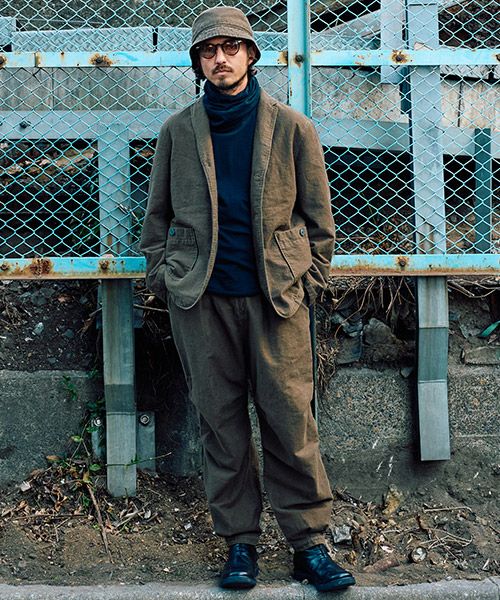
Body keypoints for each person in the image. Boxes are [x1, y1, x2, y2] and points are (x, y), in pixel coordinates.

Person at [140, 6, 355, 593]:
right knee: (221, 426)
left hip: (276, 301)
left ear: (252, 55)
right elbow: (156, 218)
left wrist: (306, 283)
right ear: (198, 62)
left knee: (290, 422)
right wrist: (166, 276)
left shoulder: (292, 128)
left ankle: (309, 545)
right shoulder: (178, 131)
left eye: (231, 48)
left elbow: (320, 223)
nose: (221, 59)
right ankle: (240, 543)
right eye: (209, 51)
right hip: (202, 302)